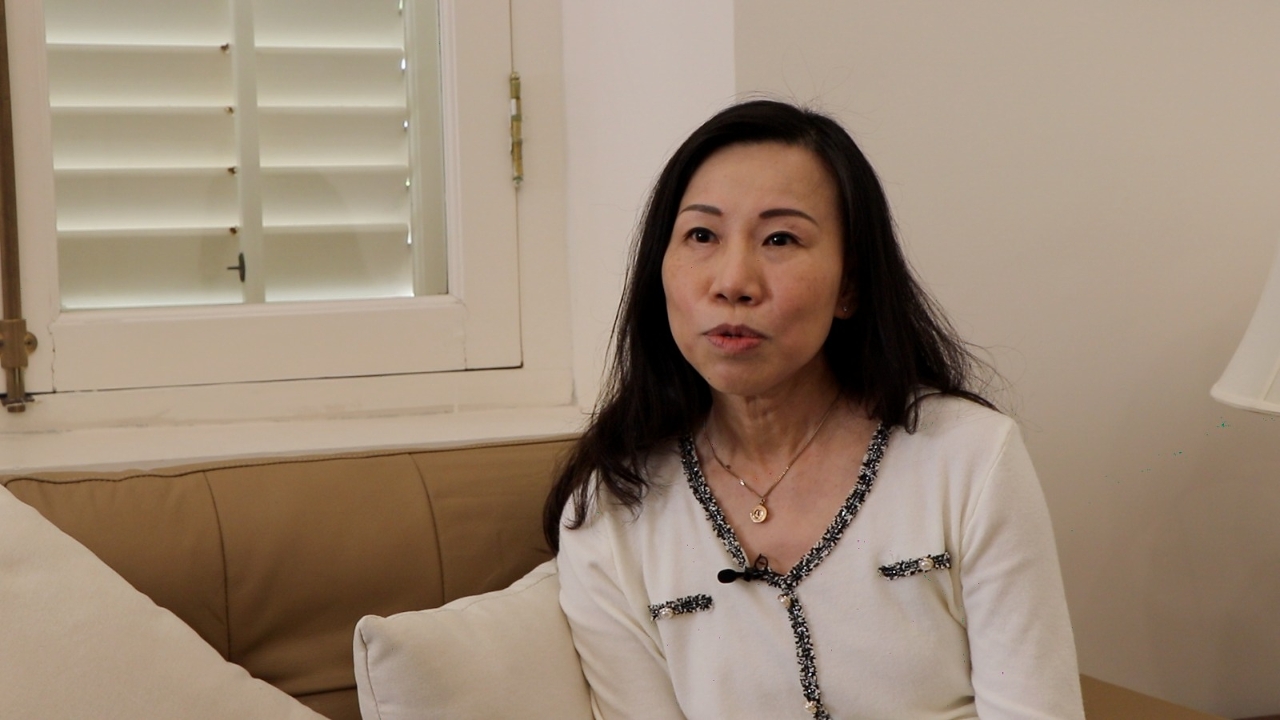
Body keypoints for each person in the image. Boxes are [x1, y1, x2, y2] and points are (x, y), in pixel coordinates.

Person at [544, 100, 1083, 720]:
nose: (733, 282)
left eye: (780, 239)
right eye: (701, 235)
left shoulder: (971, 457)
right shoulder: (610, 509)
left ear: (849, 285)